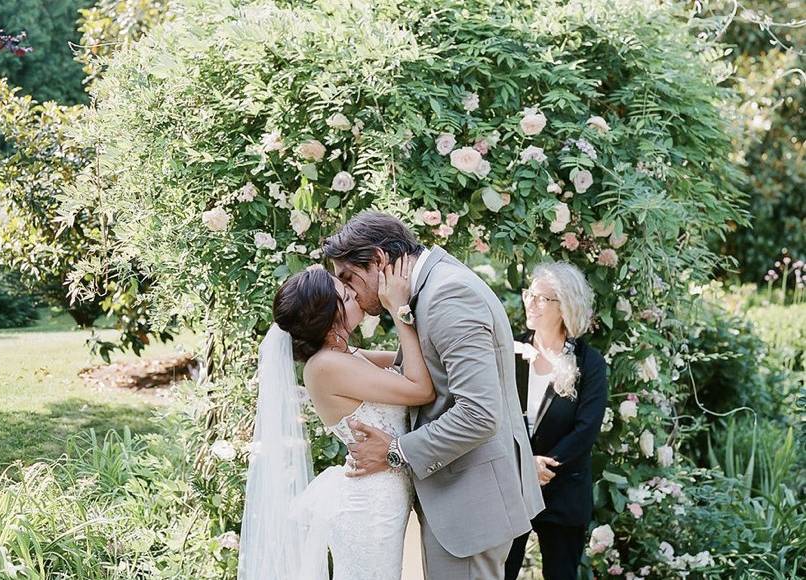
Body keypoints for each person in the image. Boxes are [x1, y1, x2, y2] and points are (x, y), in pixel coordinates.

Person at [326, 211, 544, 580]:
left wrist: (395, 451)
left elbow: (479, 413)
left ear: (378, 260)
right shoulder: (430, 288)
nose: (353, 296)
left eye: (350, 278)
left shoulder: (447, 295)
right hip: (456, 497)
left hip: (470, 503)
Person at [239, 258, 434, 580]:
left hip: (386, 493)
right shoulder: (325, 366)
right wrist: (399, 310)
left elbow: (410, 363)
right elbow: (420, 388)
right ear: (330, 323)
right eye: (346, 296)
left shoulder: (347, 356)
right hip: (369, 507)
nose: (356, 296)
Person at [505, 262, 609, 580]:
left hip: (563, 490)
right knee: (499, 572)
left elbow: (586, 428)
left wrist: (544, 465)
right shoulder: (509, 350)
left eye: (541, 298)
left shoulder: (589, 363)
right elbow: (495, 415)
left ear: (564, 307)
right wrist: (525, 463)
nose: (530, 303)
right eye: (529, 294)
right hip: (512, 486)